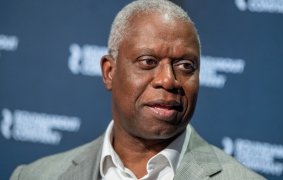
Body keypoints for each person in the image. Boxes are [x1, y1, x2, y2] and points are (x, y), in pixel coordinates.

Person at [10, 0, 265, 179]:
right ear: (109, 72)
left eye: (186, 65)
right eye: (148, 62)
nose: (168, 80)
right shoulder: (34, 176)